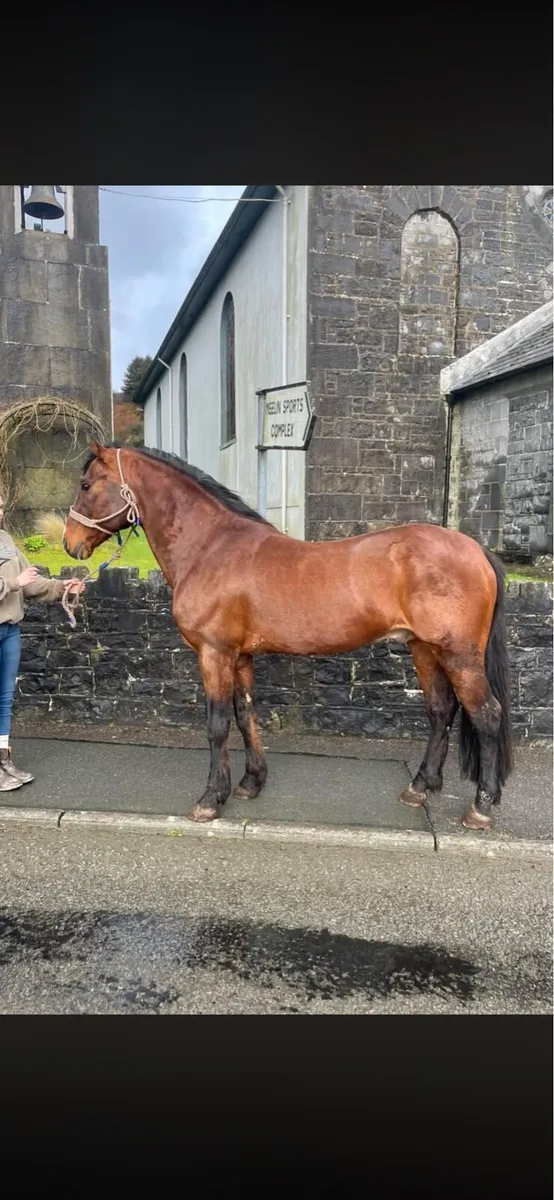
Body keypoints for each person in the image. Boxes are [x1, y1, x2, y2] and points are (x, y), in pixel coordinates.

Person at [0, 492, 86, 792]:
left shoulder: (6, 540)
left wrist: (64, 586)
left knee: (4, 700)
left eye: (0, 506)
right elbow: (18, 583)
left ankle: (3, 760)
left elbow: (32, 585)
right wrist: (14, 583)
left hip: (9, 631)